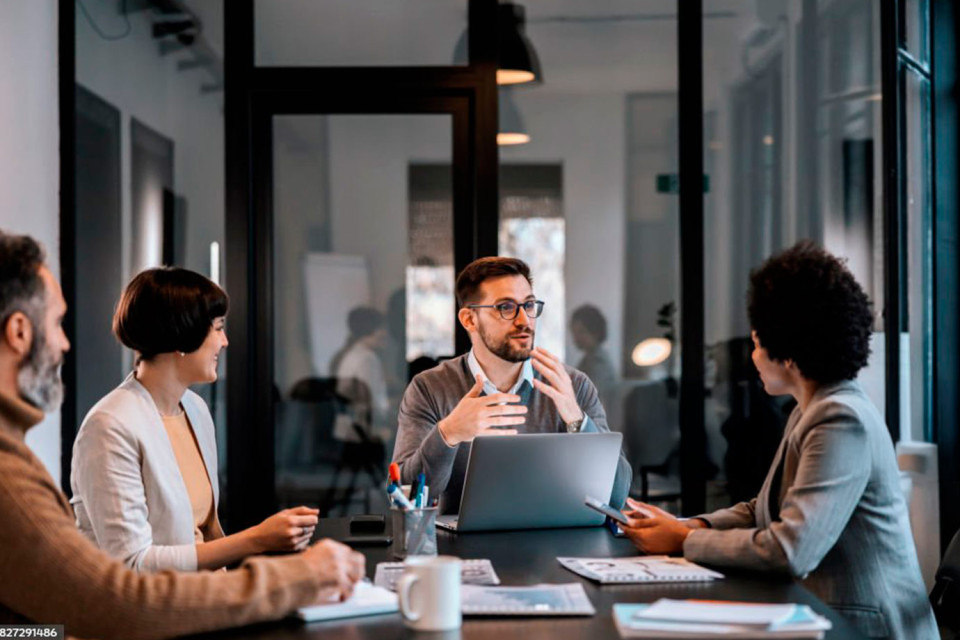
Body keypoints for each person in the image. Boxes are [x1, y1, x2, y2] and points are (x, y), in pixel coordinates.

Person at [0, 231, 365, 638]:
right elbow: (117, 594)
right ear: (18, 332)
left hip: (188, 615)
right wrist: (276, 565)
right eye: (55, 323)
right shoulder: (95, 432)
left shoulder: (195, 409)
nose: (65, 343)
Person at [620, 242, 937, 639]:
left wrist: (685, 539)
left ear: (787, 349)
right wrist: (689, 523)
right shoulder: (811, 408)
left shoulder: (839, 419)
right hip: (822, 615)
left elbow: (791, 550)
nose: (752, 357)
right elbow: (762, 509)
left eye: (756, 343)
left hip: (863, 628)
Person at [70, 268, 320, 572]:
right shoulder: (108, 426)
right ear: (182, 336)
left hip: (204, 597)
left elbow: (203, 534)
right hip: (151, 612)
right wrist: (257, 539)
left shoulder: (195, 408)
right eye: (217, 328)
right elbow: (133, 563)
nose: (224, 341)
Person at [392, 257, 632, 514]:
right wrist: (448, 433)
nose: (524, 321)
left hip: (556, 545)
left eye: (528, 305)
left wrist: (576, 420)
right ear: (469, 320)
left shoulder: (572, 385)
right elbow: (404, 498)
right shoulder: (429, 388)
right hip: (464, 549)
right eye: (506, 307)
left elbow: (616, 497)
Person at [331, 306, 390, 443]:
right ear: (372, 330)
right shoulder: (367, 358)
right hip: (361, 432)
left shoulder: (352, 354)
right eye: (382, 328)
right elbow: (371, 401)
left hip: (347, 430)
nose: (385, 333)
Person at [570, 304, 616, 410]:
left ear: (595, 332)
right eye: (574, 332)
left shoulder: (599, 362)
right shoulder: (588, 359)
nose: (576, 337)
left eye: (581, 332)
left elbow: (589, 399)